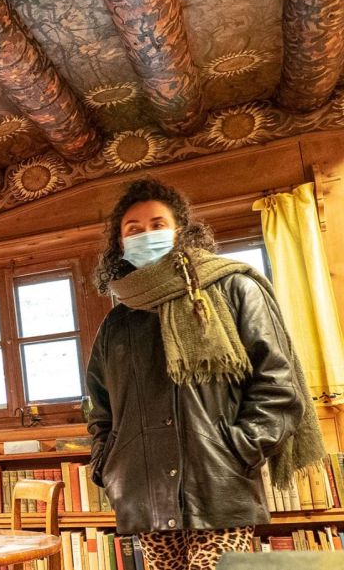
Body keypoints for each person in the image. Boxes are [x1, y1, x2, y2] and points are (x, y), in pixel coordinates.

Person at [86, 178, 326, 570]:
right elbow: (100, 408)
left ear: (180, 231)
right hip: (144, 493)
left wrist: (237, 450)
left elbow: (277, 386)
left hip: (219, 485)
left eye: (157, 224)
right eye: (133, 229)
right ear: (119, 242)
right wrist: (106, 463)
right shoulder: (117, 322)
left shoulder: (234, 288)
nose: (146, 235)